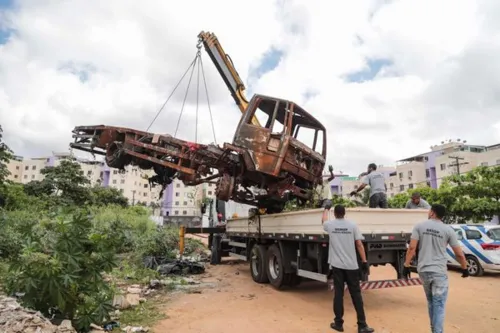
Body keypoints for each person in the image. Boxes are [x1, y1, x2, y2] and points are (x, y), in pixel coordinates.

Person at [403, 204, 468, 333]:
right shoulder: (448, 230)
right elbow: (459, 253)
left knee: (431, 302)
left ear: (432, 212)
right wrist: (464, 268)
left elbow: (411, 248)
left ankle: (434, 330)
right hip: (439, 272)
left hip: (424, 270)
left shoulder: (419, 226)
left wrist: (406, 265)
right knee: (439, 304)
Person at [322, 203, 375, 333]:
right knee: (356, 295)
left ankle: (338, 323)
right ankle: (362, 325)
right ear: (344, 213)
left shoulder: (331, 225)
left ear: (335, 214)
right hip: (352, 266)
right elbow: (359, 244)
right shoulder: (352, 225)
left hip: (337, 266)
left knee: (338, 294)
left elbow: (324, 221)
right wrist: (364, 261)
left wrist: (325, 208)